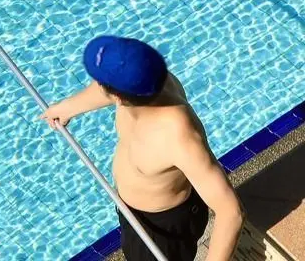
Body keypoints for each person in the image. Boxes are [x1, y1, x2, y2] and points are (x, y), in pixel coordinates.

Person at [42, 36, 243, 261]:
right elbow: (105, 88)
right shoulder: (146, 81)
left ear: (118, 96)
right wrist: (68, 107)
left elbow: (230, 213)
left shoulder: (177, 135)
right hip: (133, 212)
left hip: (162, 229)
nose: (98, 85)